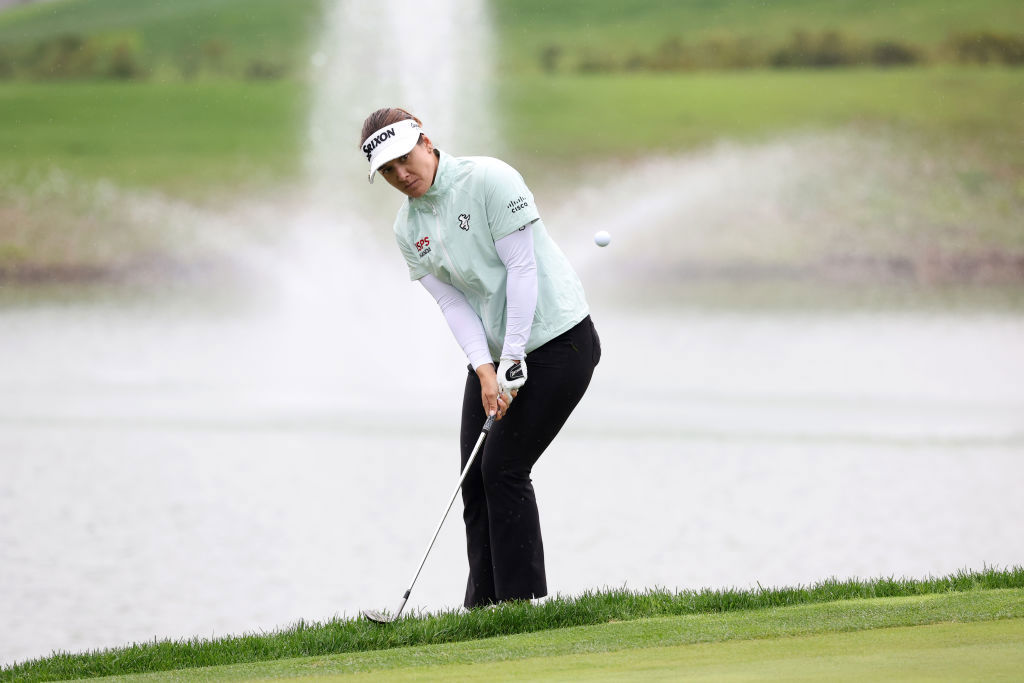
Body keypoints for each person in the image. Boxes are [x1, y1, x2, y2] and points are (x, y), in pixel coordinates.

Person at [360, 107, 600, 609]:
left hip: (560, 343)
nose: (401, 175)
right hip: (495, 355)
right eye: (387, 171)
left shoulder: (491, 179)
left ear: (425, 141)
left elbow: (522, 267)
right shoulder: (408, 228)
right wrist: (484, 367)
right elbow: (451, 301)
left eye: (404, 159)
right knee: (475, 478)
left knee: (504, 469)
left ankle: (520, 607)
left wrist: (512, 356)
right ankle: (482, 611)